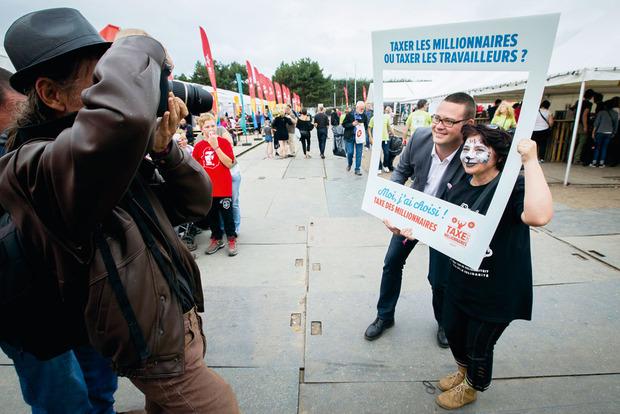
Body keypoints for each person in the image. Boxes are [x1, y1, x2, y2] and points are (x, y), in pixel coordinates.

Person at [1, 9, 239, 412]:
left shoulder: (106, 152)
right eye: (100, 79)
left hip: (172, 319)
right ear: (51, 93)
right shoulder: (27, 166)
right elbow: (119, 122)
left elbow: (195, 204)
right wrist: (135, 47)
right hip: (146, 339)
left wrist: (166, 153)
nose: (109, 88)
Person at [402, 124, 552, 410]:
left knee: (479, 346)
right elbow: (442, 228)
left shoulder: (512, 187)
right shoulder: (458, 187)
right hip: (460, 284)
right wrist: (414, 229)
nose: (469, 155)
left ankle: (472, 386)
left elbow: (539, 215)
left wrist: (531, 161)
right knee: (455, 334)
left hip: (497, 290)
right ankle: (463, 372)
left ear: (498, 156)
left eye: (479, 149)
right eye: (466, 149)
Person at [0, 64, 121, 414]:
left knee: (98, 394)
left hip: (79, 299)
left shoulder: (50, 137)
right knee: (66, 404)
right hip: (29, 313)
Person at [364, 92, 475, 348]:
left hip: (444, 224)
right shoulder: (420, 137)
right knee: (392, 263)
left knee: (439, 279)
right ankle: (384, 316)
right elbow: (401, 172)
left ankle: (444, 323)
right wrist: (390, 211)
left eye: (449, 121)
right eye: (437, 117)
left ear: (467, 125)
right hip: (411, 215)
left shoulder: (472, 153)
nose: (439, 125)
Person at [193, 113, 238, 256]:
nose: (211, 128)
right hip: (208, 189)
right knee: (212, 216)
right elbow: (197, 168)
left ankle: (231, 239)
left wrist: (216, 147)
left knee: (227, 215)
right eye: (207, 126)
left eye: (213, 125)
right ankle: (217, 238)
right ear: (202, 129)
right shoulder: (199, 146)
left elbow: (229, 163)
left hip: (223, 187)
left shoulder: (223, 142)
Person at [342, 101, 369, 176]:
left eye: (363, 109)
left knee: (359, 153)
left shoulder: (364, 116)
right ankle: (349, 164)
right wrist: (352, 124)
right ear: (357, 107)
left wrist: (362, 127)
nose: (362, 110)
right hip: (350, 136)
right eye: (361, 109)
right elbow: (344, 124)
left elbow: (366, 126)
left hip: (359, 137)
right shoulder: (349, 115)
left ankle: (357, 169)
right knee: (350, 152)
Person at [590, 100, 619, 168]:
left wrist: (593, 132)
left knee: (597, 147)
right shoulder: (616, 113)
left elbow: (596, 123)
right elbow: (616, 125)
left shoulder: (601, 112)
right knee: (604, 148)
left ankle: (594, 162)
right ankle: (601, 163)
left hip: (600, 132)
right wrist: (614, 133)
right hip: (609, 133)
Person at [572, 89, 595, 165]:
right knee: (581, 143)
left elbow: (572, 110)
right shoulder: (588, 104)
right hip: (581, 124)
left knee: (573, 142)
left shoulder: (578, 102)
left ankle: (569, 158)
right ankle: (576, 159)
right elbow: (584, 115)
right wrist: (585, 126)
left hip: (575, 124)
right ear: (591, 96)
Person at [368, 106, 395, 173]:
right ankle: (379, 167)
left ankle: (385, 165)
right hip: (376, 139)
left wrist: (393, 134)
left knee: (386, 153)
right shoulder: (373, 118)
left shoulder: (386, 117)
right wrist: (370, 137)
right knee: (377, 154)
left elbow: (389, 127)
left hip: (385, 138)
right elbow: (369, 128)